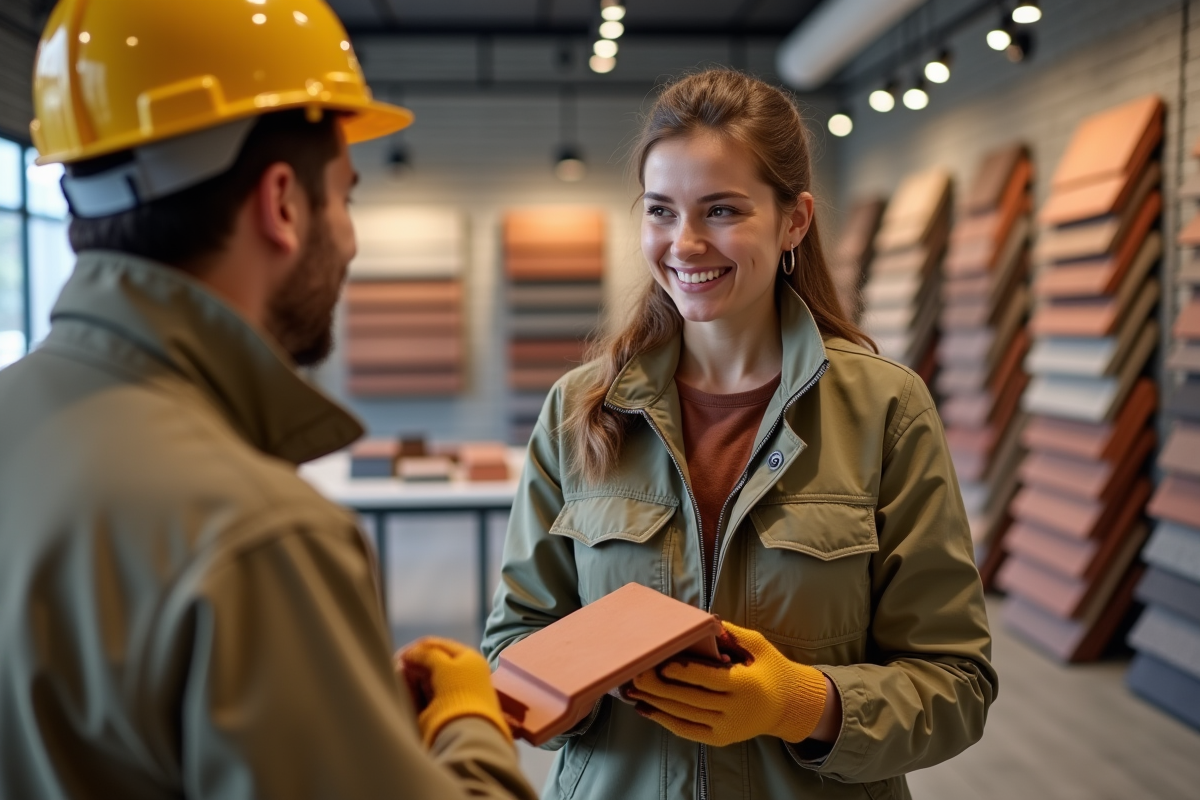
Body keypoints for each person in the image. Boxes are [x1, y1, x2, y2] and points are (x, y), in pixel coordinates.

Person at [0, 2, 536, 799]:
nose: (351, 241)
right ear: (283, 203)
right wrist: (470, 728)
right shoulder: (255, 534)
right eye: (347, 197)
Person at [483, 69, 997, 799]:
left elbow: (957, 683)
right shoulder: (579, 410)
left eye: (721, 210)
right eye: (661, 211)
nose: (685, 244)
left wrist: (799, 703)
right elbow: (511, 645)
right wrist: (573, 681)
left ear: (795, 220)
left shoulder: (887, 409)